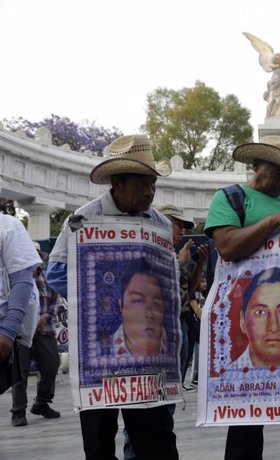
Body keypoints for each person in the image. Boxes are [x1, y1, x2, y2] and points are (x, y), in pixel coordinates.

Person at [46, 134, 178, 460]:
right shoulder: (82, 220)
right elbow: (56, 274)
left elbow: (165, 275)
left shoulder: (158, 223)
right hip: (96, 355)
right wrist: (102, 300)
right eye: (142, 184)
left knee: (156, 438)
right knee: (99, 440)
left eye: (153, 185)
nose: (150, 192)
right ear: (117, 183)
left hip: (147, 358)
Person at [204, 135, 280, 460]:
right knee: (245, 428)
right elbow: (227, 247)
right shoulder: (231, 198)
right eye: (278, 170)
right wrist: (273, 222)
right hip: (249, 333)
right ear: (255, 165)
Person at [156, 203, 209, 388]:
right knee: (165, 383)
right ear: (164, 225)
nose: (182, 232)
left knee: (175, 383)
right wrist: (180, 263)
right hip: (163, 329)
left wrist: (199, 264)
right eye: (179, 226)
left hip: (183, 325)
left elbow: (188, 290)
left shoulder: (174, 253)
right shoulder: (153, 252)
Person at [10, 244, 61, 426]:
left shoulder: (47, 278)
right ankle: (18, 411)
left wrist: (45, 318)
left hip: (44, 330)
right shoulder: (12, 278)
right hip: (20, 332)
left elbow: (56, 300)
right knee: (19, 372)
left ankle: (42, 402)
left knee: (51, 365)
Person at [110, 259, 167, 357]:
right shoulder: (99, 352)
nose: (149, 313)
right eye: (138, 301)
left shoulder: (171, 347)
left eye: (156, 303)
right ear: (121, 305)